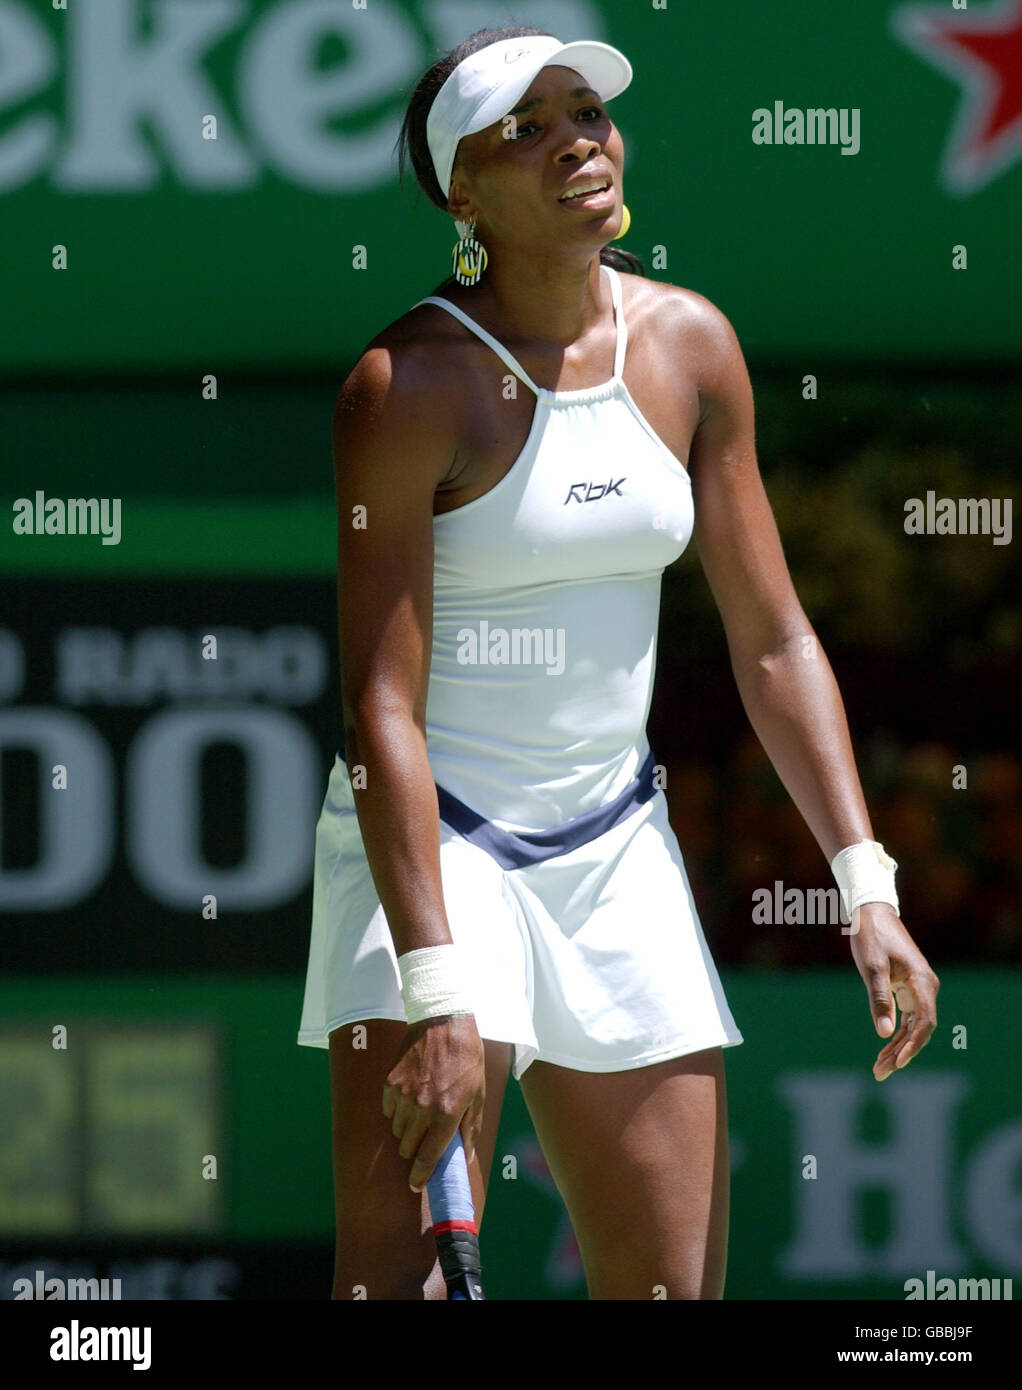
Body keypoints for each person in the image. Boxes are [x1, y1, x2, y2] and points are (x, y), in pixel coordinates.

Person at [297, 25, 940, 1300]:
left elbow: (773, 639)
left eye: (584, 112)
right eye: (523, 130)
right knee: (387, 1289)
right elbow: (381, 703)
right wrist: (438, 991)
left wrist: (864, 884)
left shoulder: (690, 345)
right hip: (439, 854)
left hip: (614, 845)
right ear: (460, 194)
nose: (575, 142)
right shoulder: (404, 382)